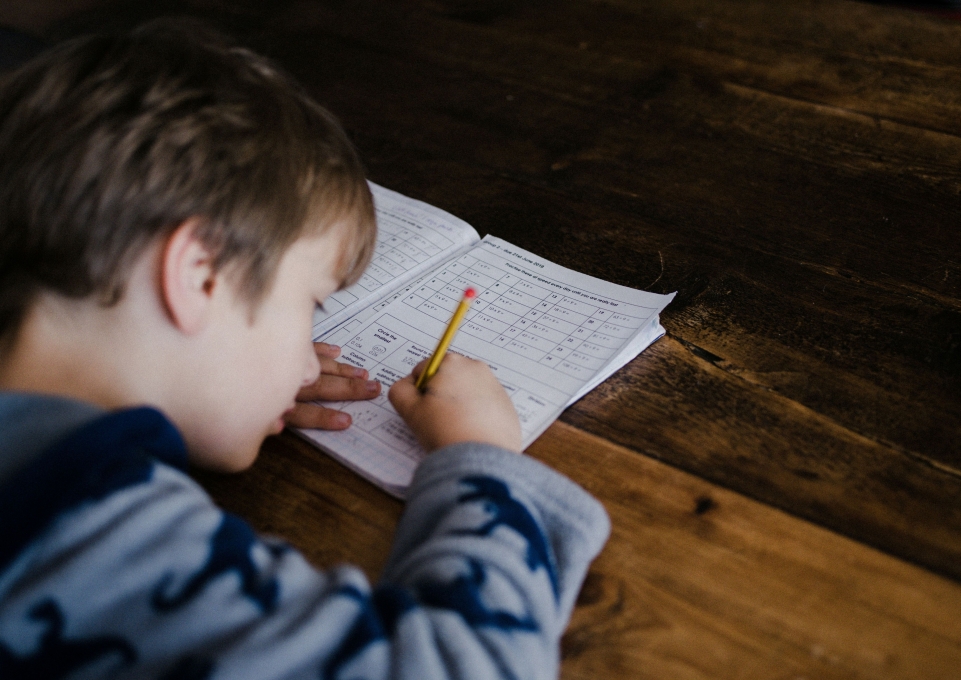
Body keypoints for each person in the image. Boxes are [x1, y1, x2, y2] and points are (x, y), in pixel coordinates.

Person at [0, 20, 609, 680]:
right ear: (201, 276)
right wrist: (482, 460)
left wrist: (211, 389)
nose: (304, 362)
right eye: (310, 305)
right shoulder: (89, 534)